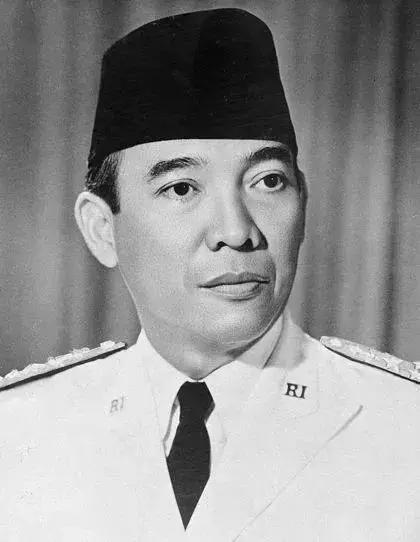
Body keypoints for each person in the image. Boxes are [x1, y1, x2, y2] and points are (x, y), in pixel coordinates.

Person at [1, 8, 418, 542]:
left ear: (304, 205)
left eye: (268, 181)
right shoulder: (20, 430)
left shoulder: (403, 426)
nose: (236, 231)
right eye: (181, 188)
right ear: (103, 229)